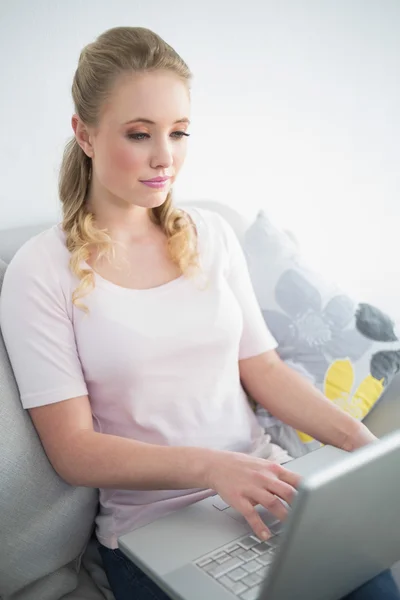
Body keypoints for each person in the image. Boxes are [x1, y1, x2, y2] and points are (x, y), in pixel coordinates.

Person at [0, 26, 398, 600]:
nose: (166, 158)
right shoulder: (41, 271)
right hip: (154, 529)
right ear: (84, 134)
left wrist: (366, 450)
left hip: (269, 488)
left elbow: (264, 370)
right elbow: (73, 450)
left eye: (179, 133)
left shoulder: (209, 235)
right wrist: (213, 468)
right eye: (139, 134)